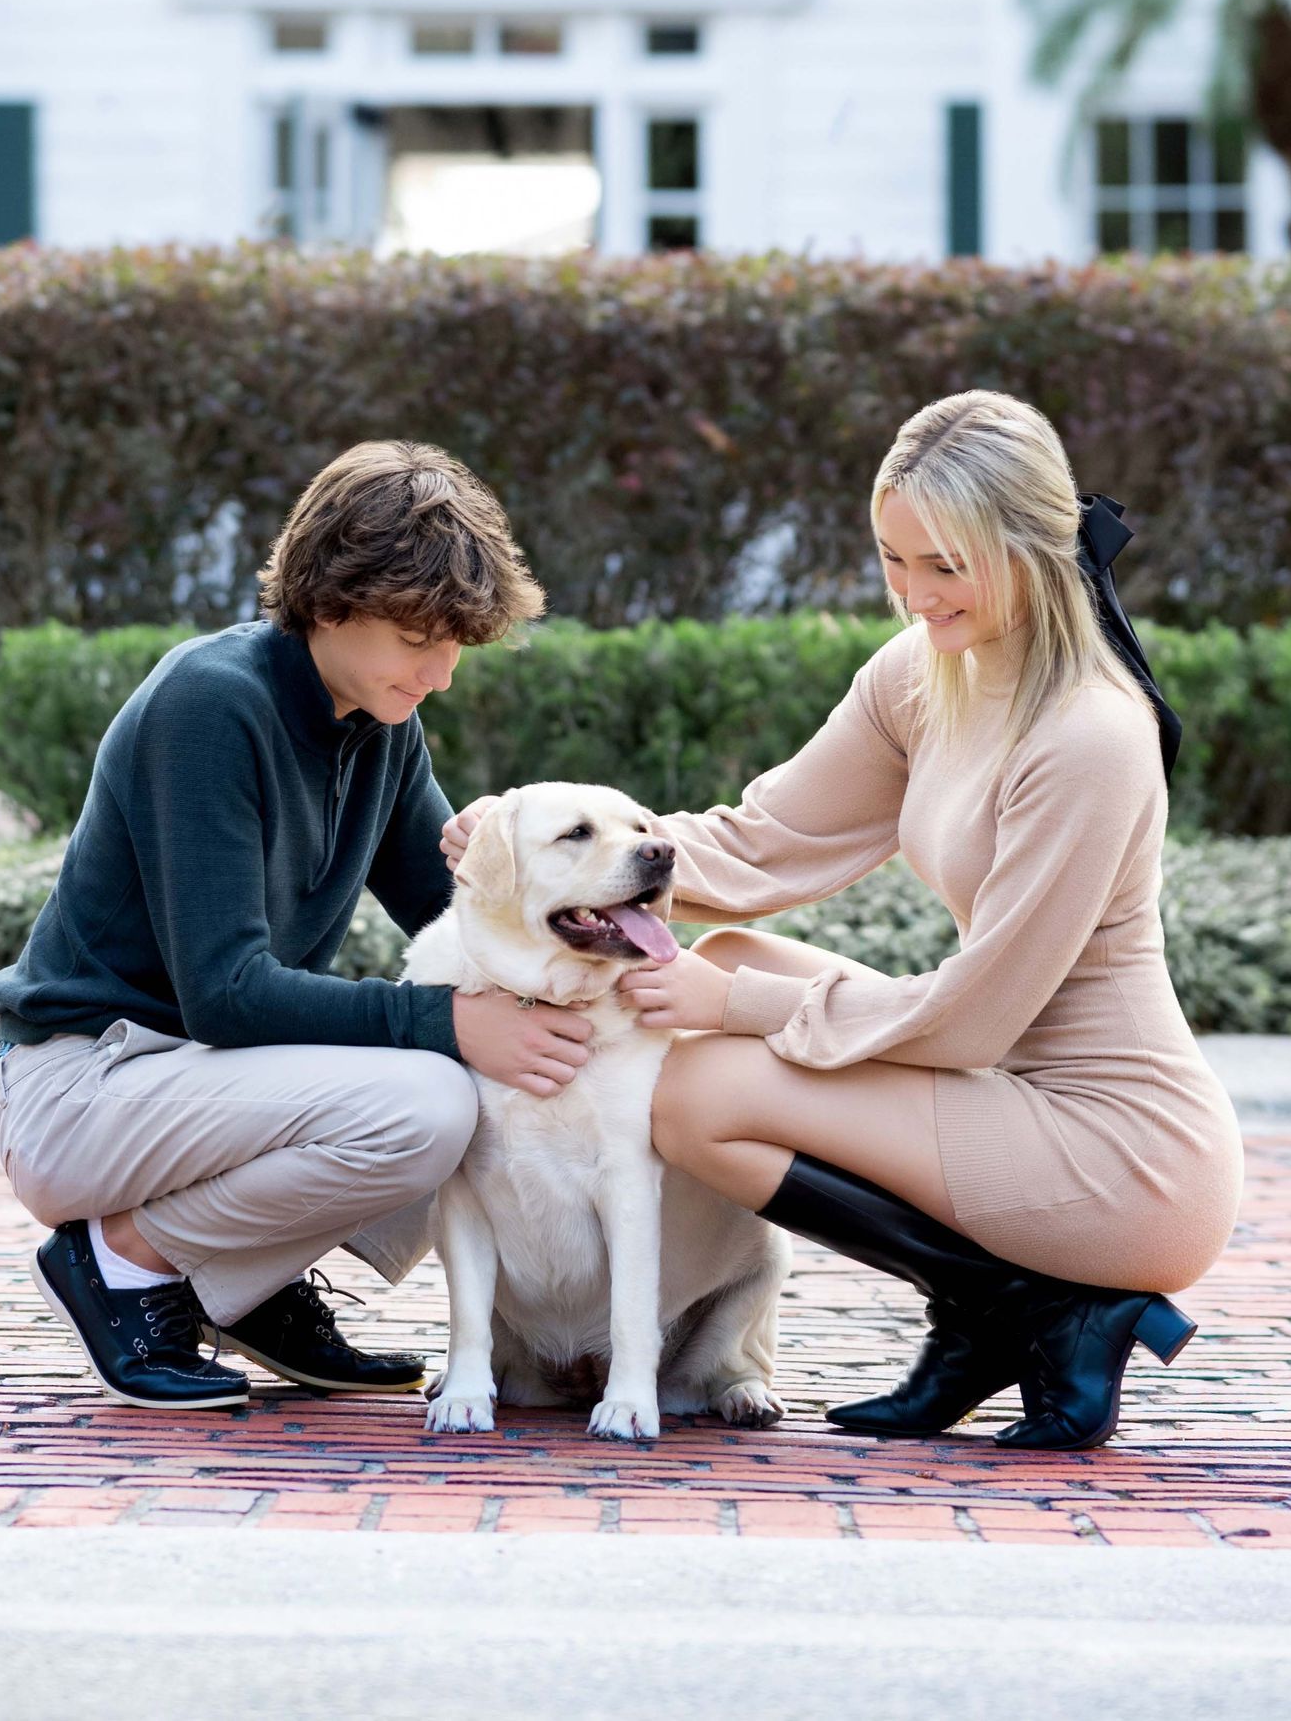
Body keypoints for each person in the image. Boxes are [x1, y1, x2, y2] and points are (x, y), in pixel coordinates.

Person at [445, 390, 1243, 1450]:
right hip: (1006, 1088)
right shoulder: (926, 671)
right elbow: (763, 842)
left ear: (1037, 549)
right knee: (715, 961)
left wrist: (736, 1002)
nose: (914, 594)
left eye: (946, 566)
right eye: (892, 558)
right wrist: (561, 852)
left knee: (693, 1086)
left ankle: (1032, 1307)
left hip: (1118, 1150)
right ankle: (1005, 1309)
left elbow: (976, 1019)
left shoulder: (1091, 734)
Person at [0, 439, 594, 1412]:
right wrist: (452, 1023)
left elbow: (454, 923)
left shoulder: (383, 724)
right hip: (88, 1082)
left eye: (455, 645)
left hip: (207, 1087)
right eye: (418, 639)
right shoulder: (211, 705)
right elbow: (226, 995)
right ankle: (122, 1263)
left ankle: (245, 1284)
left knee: (488, 1071)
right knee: (429, 1100)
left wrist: (512, 871)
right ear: (333, 598)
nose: (440, 673)